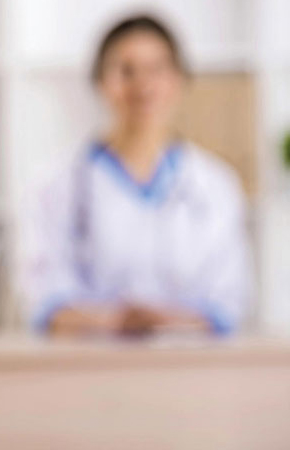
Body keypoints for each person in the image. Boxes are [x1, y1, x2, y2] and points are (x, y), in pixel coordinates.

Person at [26, 15, 253, 337]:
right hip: (87, 372)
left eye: (157, 69)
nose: (142, 86)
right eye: (125, 70)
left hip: (191, 369)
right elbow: (45, 302)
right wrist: (116, 322)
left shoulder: (216, 185)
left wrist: (163, 322)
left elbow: (228, 304)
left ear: (179, 80)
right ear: (100, 82)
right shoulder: (57, 184)